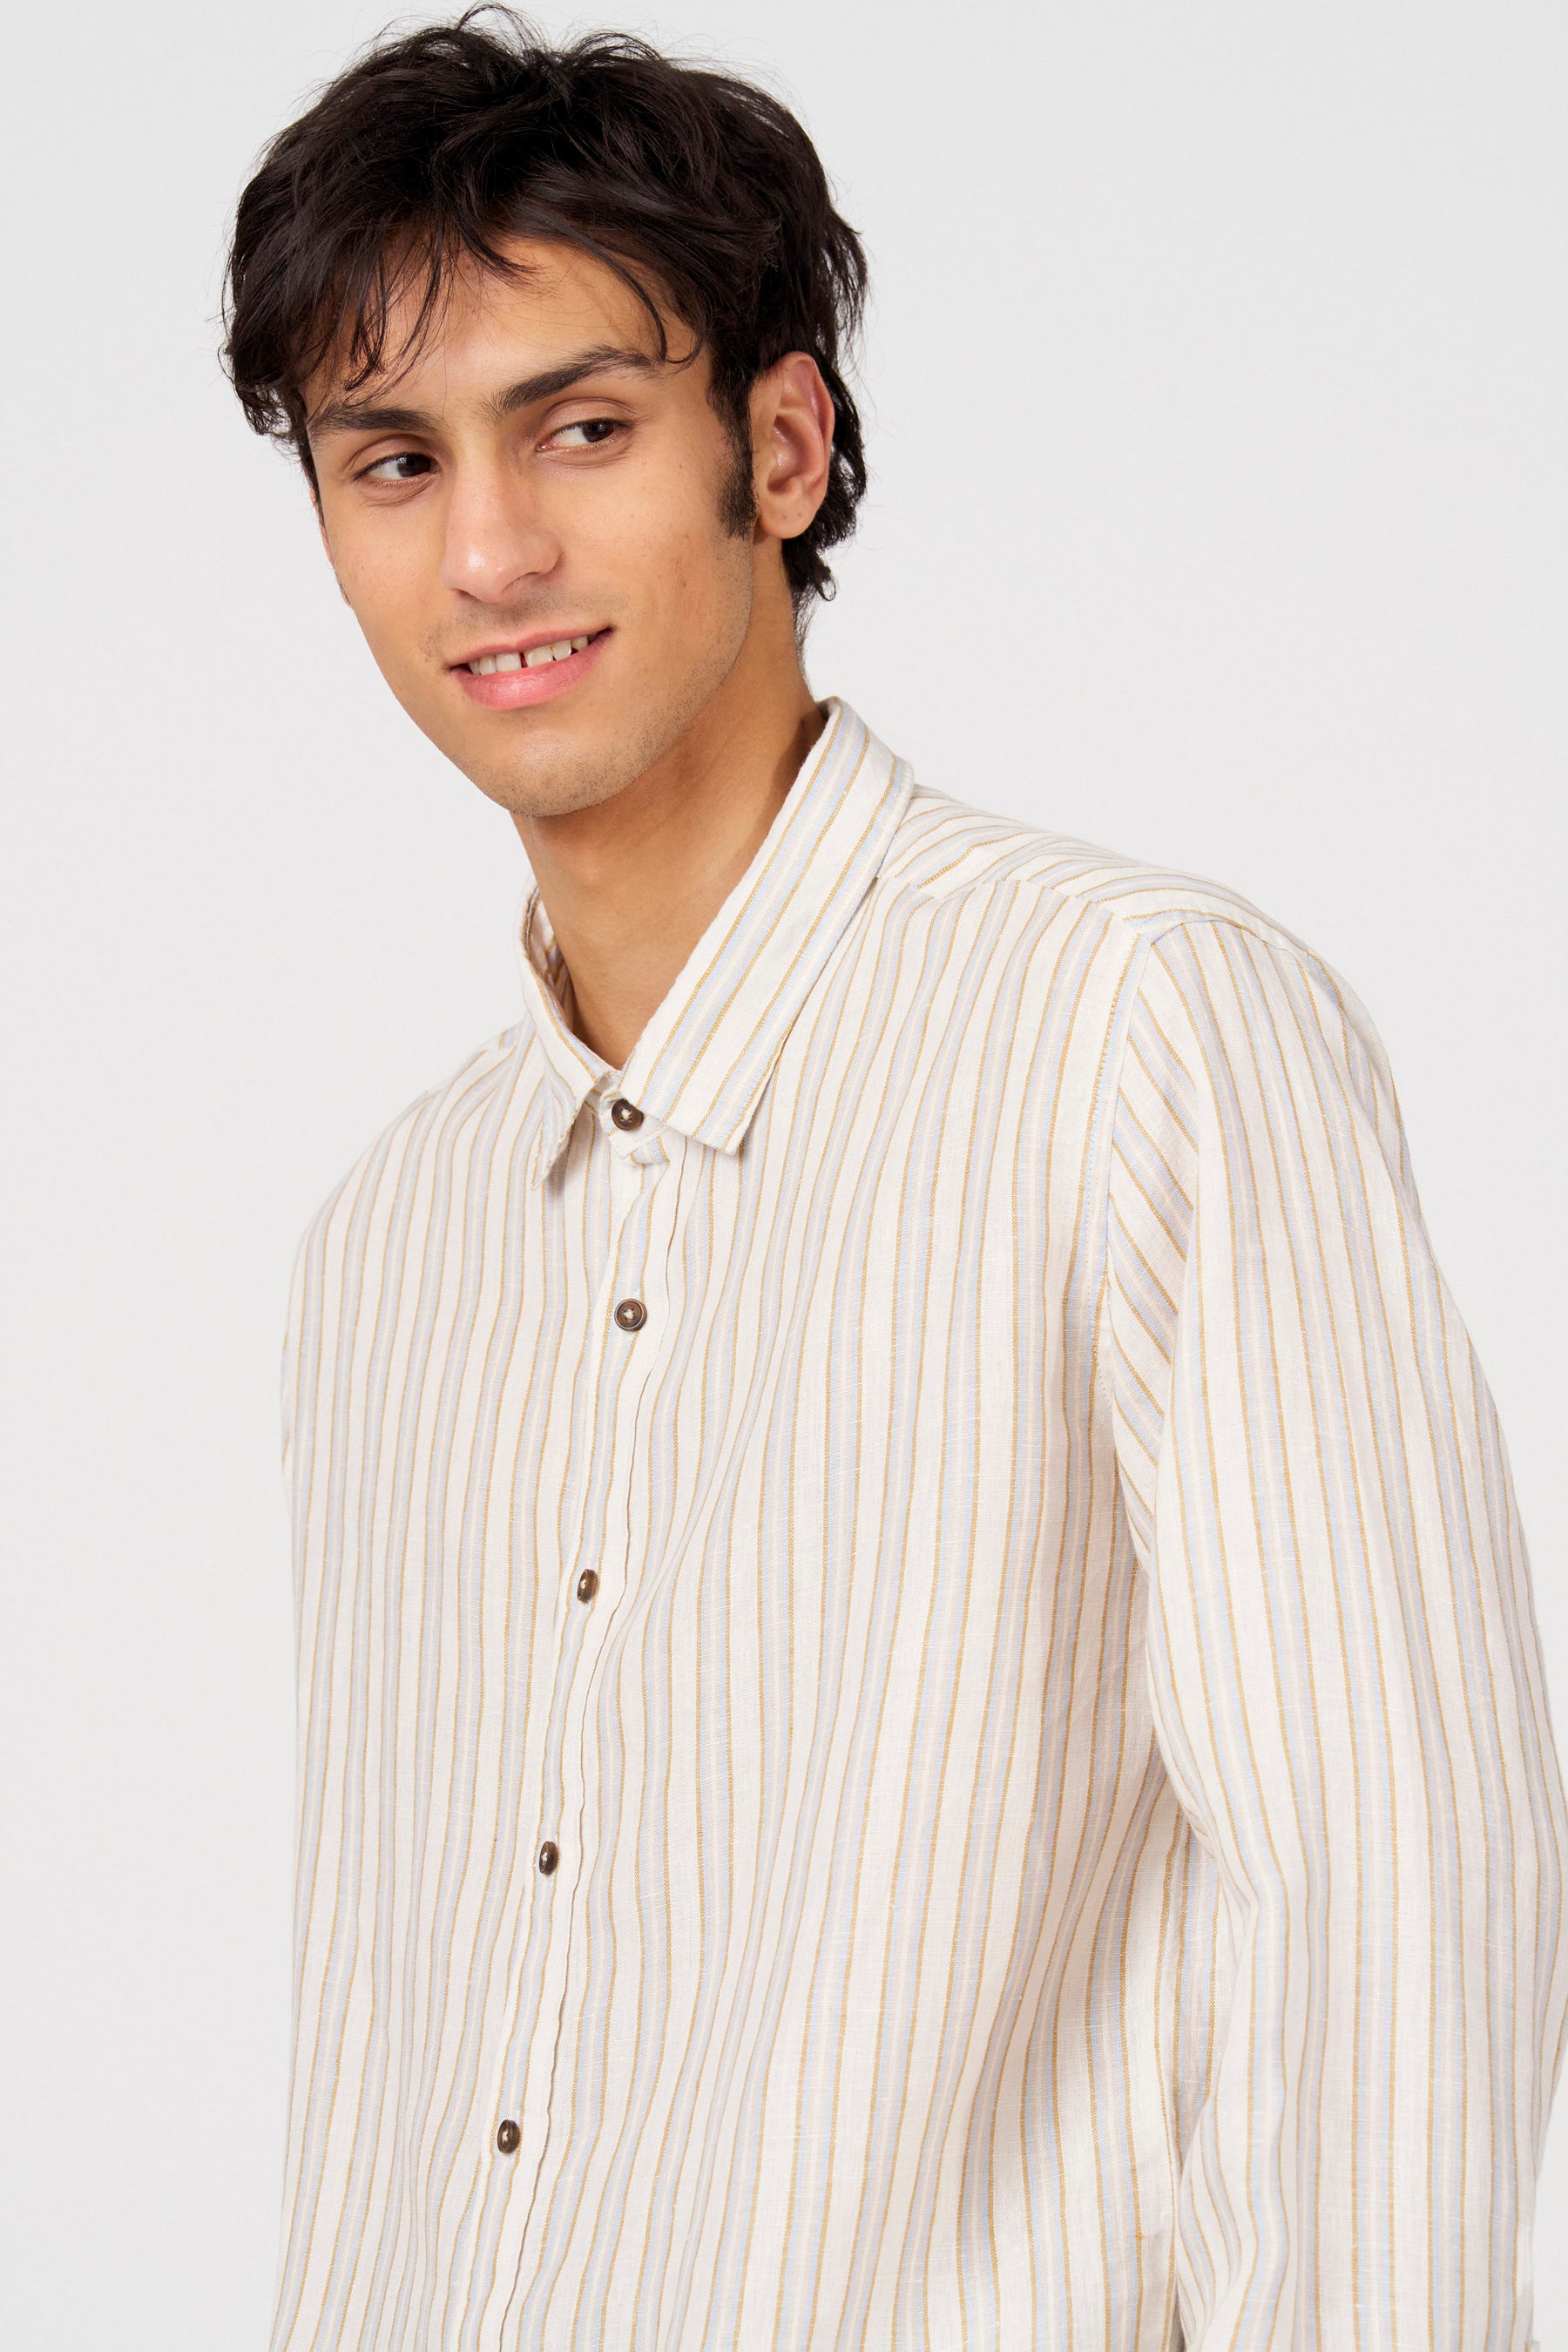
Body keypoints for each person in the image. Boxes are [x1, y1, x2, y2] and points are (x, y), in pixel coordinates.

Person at [223, 12, 1567, 2347]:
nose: (491, 550)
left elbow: (1394, 1915)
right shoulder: (392, 1245)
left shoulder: (1137, 1032)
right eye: (394, 461)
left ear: (781, 442)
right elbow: (389, 2068)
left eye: (582, 426)